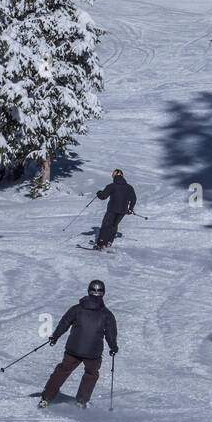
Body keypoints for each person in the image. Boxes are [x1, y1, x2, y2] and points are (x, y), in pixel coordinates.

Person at [38, 280, 118, 409]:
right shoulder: (107, 315)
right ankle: (81, 401)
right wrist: (113, 347)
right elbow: (111, 333)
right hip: (93, 353)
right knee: (91, 374)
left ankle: (46, 398)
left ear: (88, 291)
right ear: (103, 293)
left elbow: (64, 323)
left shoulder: (77, 309)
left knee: (62, 371)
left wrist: (55, 336)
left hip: (73, 350)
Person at [94, 168, 136, 249]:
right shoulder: (129, 187)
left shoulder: (111, 186)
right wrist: (130, 208)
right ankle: (109, 241)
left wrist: (99, 193)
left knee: (106, 225)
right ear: (122, 176)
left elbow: (103, 197)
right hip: (123, 211)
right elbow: (134, 199)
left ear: (115, 176)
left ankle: (101, 243)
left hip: (112, 209)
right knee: (114, 225)